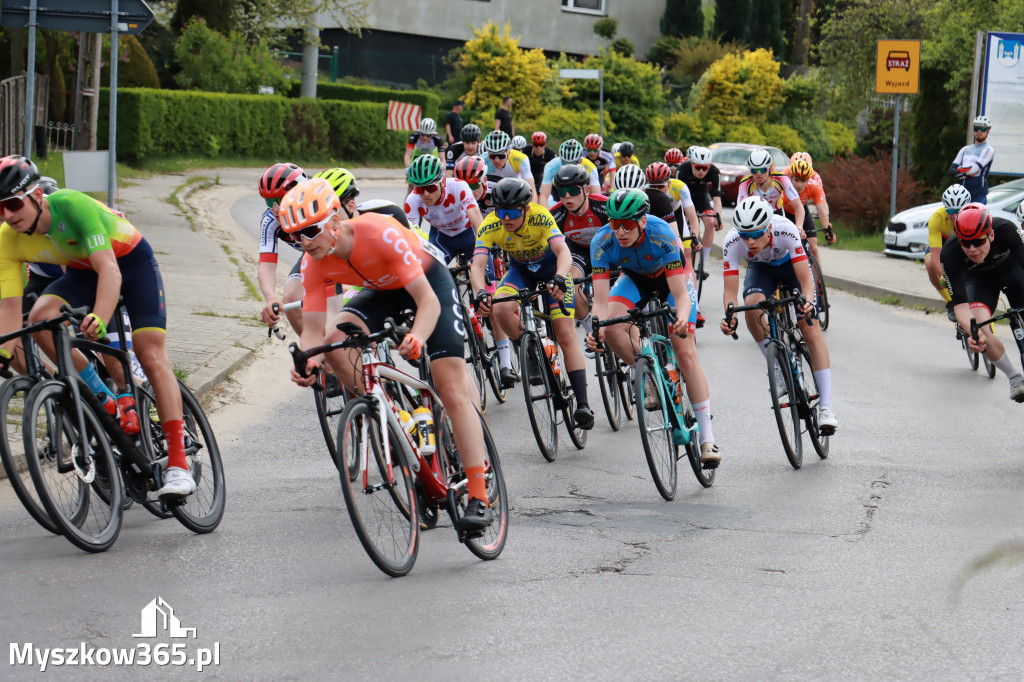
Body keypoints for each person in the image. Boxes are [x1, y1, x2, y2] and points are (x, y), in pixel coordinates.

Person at [282, 178, 494, 529]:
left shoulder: (379, 232)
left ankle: (478, 494)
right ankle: (393, 414)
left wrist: (417, 336)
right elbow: (314, 330)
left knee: (450, 386)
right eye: (293, 236)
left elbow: (426, 301)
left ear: (335, 221)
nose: (302, 242)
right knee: (336, 340)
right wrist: (308, 360)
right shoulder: (313, 263)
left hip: (427, 284)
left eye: (309, 231)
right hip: (381, 290)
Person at [0, 155, 195, 497]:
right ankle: (103, 399)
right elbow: (8, 306)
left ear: (37, 196)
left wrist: (100, 320)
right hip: (81, 274)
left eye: (13, 204)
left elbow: (110, 270)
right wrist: (3, 351)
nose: (8, 215)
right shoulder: (7, 239)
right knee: (38, 320)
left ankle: (179, 465)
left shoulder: (72, 204)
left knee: (150, 353)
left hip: (130, 265)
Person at [586, 188, 722, 465]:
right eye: (614, 224)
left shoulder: (661, 234)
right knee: (612, 330)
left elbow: (681, 295)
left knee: (684, 352)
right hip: (635, 279)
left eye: (626, 225)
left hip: (671, 280)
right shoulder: (602, 241)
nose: (619, 231)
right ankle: (645, 374)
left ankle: (708, 438)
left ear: (643, 221)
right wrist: (595, 328)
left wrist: (682, 316)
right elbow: (599, 301)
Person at [470, 178, 595, 429]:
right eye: (500, 211)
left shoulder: (540, 216)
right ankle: (529, 350)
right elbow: (478, 265)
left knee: (564, 333)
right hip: (521, 271)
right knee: (501, 307)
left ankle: (582, 404)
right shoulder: (491, 223)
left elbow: (564, 252)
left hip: (553, 272)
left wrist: (561, 277)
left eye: (512, 212)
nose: (505, 218)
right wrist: (480, 292)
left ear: (525, 209)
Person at [718, 196, 838, 434]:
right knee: (751, 308)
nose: (750, 241)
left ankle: (826, 406)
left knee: (809, 326)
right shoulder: (732, 242)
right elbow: (730, 291)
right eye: (745, 235)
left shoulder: (786, 229)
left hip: (791, 267)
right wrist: (729, 316)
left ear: (769, 227)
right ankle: (776, 364)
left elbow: (805, 280)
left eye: (756, 234)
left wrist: (810, 304)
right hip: (761, 270)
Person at [941, 203, 1024, 402]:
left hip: (1011, 271)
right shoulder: (950, 253)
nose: (972, 249)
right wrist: (973, 331)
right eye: (965, 243)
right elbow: (960, 306)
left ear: (991, 235)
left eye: (978, 242)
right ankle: (1014, 377)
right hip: (979, 281)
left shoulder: (1006, 230)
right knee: (980, 329)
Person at [549, 163, 609, 332]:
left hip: (609, 251)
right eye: (562, 192)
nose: (568, 197)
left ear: (587, 191)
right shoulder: (555, 215)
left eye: (574, 191)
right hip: (580, 251)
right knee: (570, 285)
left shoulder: (604, 206)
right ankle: (590, 330)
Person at [257, 163, 309, 336]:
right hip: (311, 255)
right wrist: (270, 297)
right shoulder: (271, 221)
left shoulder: (316, 206)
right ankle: (317, 353)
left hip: (340, 254)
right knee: (291, 301)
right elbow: (266, 264)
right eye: (270, 202)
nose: (276, 210)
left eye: (280, 200)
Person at [924, 184, 972, 321]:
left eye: (960, 210)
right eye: (951, 211)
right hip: (943, 245)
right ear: (945, 209)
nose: (955, 215)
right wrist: (942, 275)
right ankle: (950, 301)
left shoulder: (974, 215)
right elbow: (935, 254)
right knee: (929, 263)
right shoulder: (936, 219)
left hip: (964, 243)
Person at [676, 147, 725, 272]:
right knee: (683, 223)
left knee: (709, 223)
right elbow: (677, 197)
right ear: (692, 164)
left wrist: (718, 217)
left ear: (709, 166)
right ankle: (681, 255)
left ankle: (702, 265)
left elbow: (717, 198)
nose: (701, 171)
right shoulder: (682, 169)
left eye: (705, 168)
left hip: (702, 196)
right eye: (698, 167)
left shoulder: (714, 172)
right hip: (685, 197)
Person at [781, 154, 836, 261]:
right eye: (796, 179)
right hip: (784, 210)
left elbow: (822, 207)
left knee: (813, 248)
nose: (799, 185)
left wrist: (827, 229)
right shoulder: (783, 178)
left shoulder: (815, 181)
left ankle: (819, 278)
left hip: (802, 208)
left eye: (803, 180)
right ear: (791, 174)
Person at [737, 148, 804, 233]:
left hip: (777, 213)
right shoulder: (745, 183)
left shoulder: (781, 179)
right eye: (754, 170)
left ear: (770, 168)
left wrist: (799, 226)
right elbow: (740, 210)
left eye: (762, 170)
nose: (758, 174)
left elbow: (798, 206)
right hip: (756, 214)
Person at [539, 139, 602, 206]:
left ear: (580, 160)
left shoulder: (590, 167)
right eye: (564, 162)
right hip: (557, 196)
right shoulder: (551, 166)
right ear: (560, 159)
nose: (568, 166)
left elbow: (597, 197)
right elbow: (544, 196)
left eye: (573, 163)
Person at [949, 116, 995, 204]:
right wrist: (968, 172)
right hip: (962, 192)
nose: (979, 132)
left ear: (988, 131)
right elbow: (951, 171)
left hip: (978, 193)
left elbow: (974, 169)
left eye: (982, 129)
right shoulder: (964, 149)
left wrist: (960, 170)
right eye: (976, 128)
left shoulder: (988, 149)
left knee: (976, 217)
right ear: (973, 130)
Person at [481, 130, 537, 200]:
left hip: (514, 192)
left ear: (508, 153)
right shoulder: (482, 160)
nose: (497, 160)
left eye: (501, 156)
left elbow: (532, 191)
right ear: (488, 154)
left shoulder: (520, 159)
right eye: (492, 156)